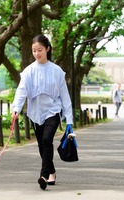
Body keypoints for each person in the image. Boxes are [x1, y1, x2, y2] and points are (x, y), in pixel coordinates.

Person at [11, 34, 73, 190]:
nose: (37, 53)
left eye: (40, 50)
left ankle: (43, 175)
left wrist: (69, 121)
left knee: (46, 140)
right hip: (35, 112)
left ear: (47, 49)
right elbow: (21, 91)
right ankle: (51, 172)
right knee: (41, 144)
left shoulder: (57, 71)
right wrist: (16, 108)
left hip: (53, 110)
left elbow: (64, 96)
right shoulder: (28, 71)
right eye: (34, 50)